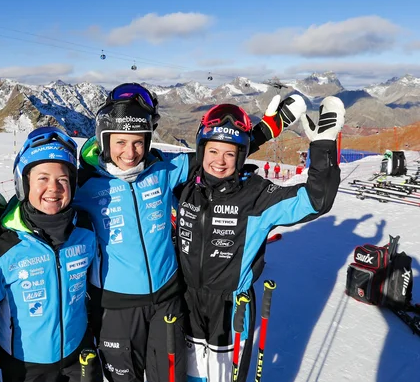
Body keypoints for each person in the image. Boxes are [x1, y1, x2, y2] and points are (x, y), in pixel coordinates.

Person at [72, 84, 308, 382]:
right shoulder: (83, 184)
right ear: (104, 140)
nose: (130, 153)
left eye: (138, 142)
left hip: (168, 299)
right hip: (115, 306)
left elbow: (213, 155)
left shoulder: (164, 169)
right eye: (120, 142)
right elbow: (43, 201)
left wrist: (266, 129)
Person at [175, 97, 344, 382]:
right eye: (213, 150)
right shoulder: (184, 187)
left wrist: (324, 148)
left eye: (230, 154)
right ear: (201, 151)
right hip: (185, 301)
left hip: (230, 309)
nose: (220, 160)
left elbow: (316, 201)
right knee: (189, 376)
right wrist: (265, 130)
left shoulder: (255, 196)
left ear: (241, 158)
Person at [0, 127, 102, 382]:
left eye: (63, 180)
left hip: (78, 356)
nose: (53, 188)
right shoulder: (0, 245)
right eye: (42, 178)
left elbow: (92, 292)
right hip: (24, 367)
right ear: (23, 183)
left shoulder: (85, 230)